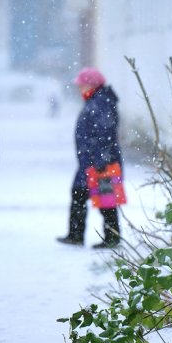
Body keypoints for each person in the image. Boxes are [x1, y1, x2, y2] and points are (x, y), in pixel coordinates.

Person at [57, 67, 123, 249]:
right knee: (86, 195)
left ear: (92, 85)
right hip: (90, 162)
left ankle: (109, 237)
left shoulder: (100, 103)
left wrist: (102, 160)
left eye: (82, 85)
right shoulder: (97, 101)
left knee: (105, 200)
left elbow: (106, 134)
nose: (79, 89)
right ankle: (78, 235)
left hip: (100, 163)